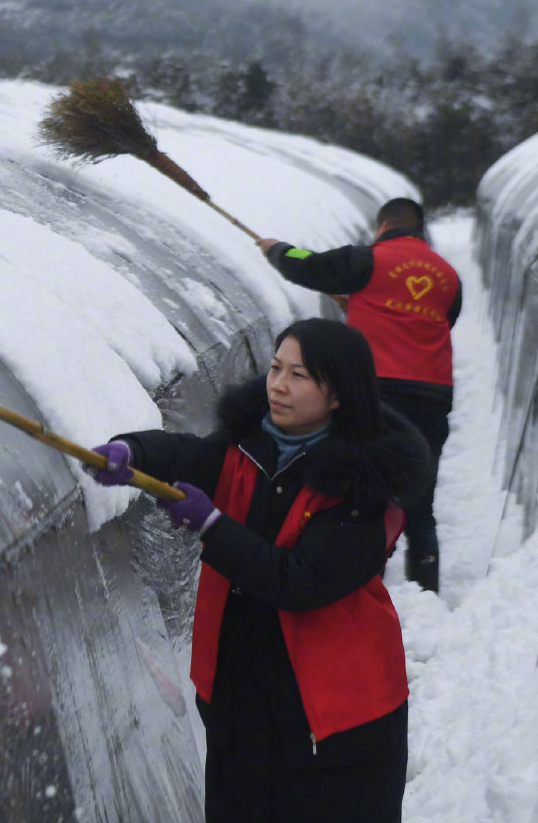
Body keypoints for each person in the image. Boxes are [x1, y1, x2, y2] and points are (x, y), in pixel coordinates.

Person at [88, 319, 427, 823]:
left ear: (338, 396)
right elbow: (190, 455)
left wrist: (211, 524)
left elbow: (300, 580)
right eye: (275, 368)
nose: (279, 385)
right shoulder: (249, 445)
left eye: (299, 375)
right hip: (241, 707)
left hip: (333, 726)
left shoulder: (363, 486)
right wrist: (133, 451)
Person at [254, 197, 458, 593]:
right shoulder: (449, 276)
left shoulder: (369, 259)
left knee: (365, 492)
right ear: (419, 229)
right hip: (433, 395)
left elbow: (309, 262)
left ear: (383, 227)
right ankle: (426, 587)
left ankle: (362, 583)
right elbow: (437, 320)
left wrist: (276, 249)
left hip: (376, 392)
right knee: (420, 494)